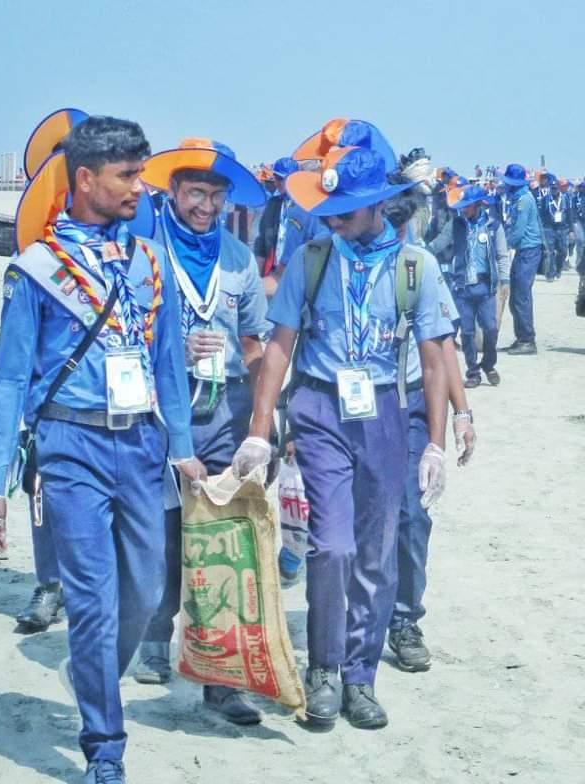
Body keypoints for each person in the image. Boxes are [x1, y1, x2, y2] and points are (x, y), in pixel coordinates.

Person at [0, 116, 203, 784]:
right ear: (85, 178)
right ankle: (105, 746)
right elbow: (9, 379)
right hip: (69, 446)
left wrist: (183, 449)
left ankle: (91, 666)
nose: (141, 187)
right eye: (127, 176)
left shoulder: (147, 260)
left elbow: (166, 367)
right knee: (94, 600)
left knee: (147, 588)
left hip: (140, 443)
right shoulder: (38, 270)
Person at [231, 144, 451, 730]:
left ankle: (361, 675)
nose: (334, 220)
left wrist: (435, 442)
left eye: (346, 212)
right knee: (333, 547)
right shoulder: (311, 259)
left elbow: (433, 361)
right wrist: (260, 430)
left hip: (384, 412)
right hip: (321, 408)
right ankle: (324, 667)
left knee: (376, 554)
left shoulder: (416, 269)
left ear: (379, 205)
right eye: (330, 211)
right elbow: (279, 347)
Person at [132, 138, 269, 724]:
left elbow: (257, 342)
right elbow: (124, 333)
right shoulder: (144, 253)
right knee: (163, 534)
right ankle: (154, 637)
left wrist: (264, 423)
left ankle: (220, 678)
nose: (206, 207)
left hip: (225, 413)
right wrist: (173, 348)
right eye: (195, 194)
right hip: (157, 413)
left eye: (215, 196)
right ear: (172, 192)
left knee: (223, 541)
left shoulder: (239, 259)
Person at [382, 193, 476, 673]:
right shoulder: (325, 257)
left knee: (412, 516)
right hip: (352, 413)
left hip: (412, 408)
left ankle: (404, 619)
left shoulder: (421, 266)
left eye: (398, 228)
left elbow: (442, 348)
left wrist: (461, 414)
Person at [449, 184, 509, 387]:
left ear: (477, 205)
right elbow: (441, 243)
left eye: (467, 206)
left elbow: (502, 255)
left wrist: (505, 280)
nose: (463, 209)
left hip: (486, 288)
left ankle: (488, 364)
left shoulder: (494, 226)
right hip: (463, 287)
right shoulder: (457, 224)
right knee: (466, 333)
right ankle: (473, 372)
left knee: (491, 329)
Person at [254, 156, 320, 295]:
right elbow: (261, 242)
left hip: (298, 273)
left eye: (282, 179)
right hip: (272, 270)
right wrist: (258, 276)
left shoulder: (307, 207)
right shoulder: (273, 204)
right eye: (276, 178)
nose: (278, 183)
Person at [501, 163, 542, 355]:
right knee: (516, 295)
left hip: (528, 250)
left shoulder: (523, 200)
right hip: (524, 251)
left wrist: (503, 245)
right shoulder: (518, 197)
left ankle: (527, 340)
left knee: (521, 296)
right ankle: (521, 337)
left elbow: (518, 230)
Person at [536, 172, 571, 281]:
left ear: (559, 188)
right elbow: (541, 214)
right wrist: (540, 227)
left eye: (556, 188)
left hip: (562, 228)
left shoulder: (565, 198)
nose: (554, 190)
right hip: (549, 228)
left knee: (563, 251)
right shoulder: (545, 199)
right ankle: (550, 274)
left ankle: (559, 268)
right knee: (549, 251)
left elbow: (569, 214)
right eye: (552, 188)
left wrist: (571, 230)